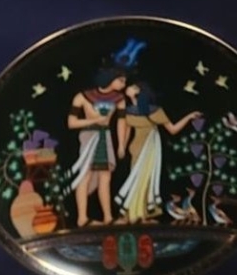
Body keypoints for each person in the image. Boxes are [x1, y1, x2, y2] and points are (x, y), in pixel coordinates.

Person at [115, 84, 200, 224]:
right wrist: (122, 147)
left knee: (145, 181)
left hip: (151, 149)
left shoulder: (155, 111)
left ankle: (140, 215)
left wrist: (189, 117)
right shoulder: (128, 111)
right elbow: (127, 130)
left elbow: (172, 129)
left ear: (140, 91)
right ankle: (132, 214)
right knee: (135, 180)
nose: (129, 87)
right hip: (135, 148)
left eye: (134, 87)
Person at [68, 69, 128, 229]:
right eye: (121, 80)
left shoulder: (119, 99)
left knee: (105, 176)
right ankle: (82, 218)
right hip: (89, 136)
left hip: (105, 137)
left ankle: (108, 217)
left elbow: (121, 121)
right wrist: (94, 120)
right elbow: (71, 123)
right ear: (110, 78)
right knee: (85, 175)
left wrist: (121, 144)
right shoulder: (83, 96)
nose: (124, 84)